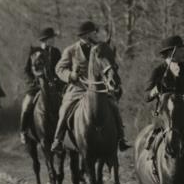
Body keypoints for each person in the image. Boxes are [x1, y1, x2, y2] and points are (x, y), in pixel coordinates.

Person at [51, 20, 130, 153]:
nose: (97, 35)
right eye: (95, 33)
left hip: (98, 88)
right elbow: (59, 69)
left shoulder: (101, 47)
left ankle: (121, 138)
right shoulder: (71, 50)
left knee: (113, 106)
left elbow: (108, 65)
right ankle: (57, 140)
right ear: (86, 35)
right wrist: (71, 75)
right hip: (78, 88)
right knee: (64, 109)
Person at [143, 35, 184, 161]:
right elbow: (146, 96)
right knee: (157, 133)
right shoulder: (158, 71)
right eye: (181, 50)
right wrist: (155, 91)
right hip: (164, 112)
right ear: (172, 52)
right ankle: (152, 155)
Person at [20, 27, 62, 144]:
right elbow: (27, 71)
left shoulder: (56, 52)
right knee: (27, 105)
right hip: (36, 87)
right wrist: (34, 82)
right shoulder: (34, 53)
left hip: (54, 86)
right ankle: (23, 131)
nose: (53, 40)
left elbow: (60, 69)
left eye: (53, 38)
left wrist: (57, 80)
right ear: (45, 40)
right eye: (51, 38)